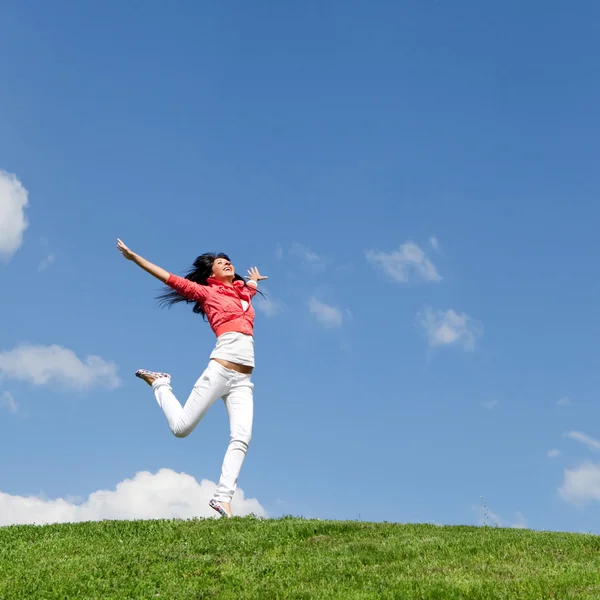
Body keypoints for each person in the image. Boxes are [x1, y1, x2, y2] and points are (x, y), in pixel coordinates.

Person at [116, 238, 267, 518]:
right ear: (211, 274)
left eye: (228, 260)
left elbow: (250, 292)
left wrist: (254, 282)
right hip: (220, 371)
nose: (227, 263)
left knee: (242, 437)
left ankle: (223, 498)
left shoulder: (243, 293)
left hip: (243, 381)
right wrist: (136, 258)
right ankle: (161, 383)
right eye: (221, 263)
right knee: (181, 429)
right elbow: (169, 278)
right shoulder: (206, 293)